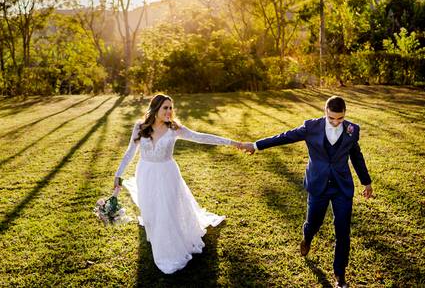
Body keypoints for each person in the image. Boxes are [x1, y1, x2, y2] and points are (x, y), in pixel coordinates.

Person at [239, 95, 373, 288]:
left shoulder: (353, 130)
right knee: (313, 222)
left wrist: (366, 182)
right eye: (332, 118)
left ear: (345, 115)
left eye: (340, 119)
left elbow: (356, 156)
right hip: (318, 184)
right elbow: (284, 137)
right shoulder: (311, 127)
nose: (336, 123)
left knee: (343, 231)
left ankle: (339, 275)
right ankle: (307, 238)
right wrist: (255, 145)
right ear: (325, 112)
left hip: (341, 186)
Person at [112, 93, 239, 274]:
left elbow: (201, 137)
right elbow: (130, 152)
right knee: (150, 208)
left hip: (167, 173)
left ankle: (168, 245)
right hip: (145, 173)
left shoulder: (175, 128)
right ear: (155, 109)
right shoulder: (140, 127)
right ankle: (155, 231)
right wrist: (118, 174)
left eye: (171, 108)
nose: (169, 111)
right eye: (165, 108)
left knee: (167, 208)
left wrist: (232, 143)